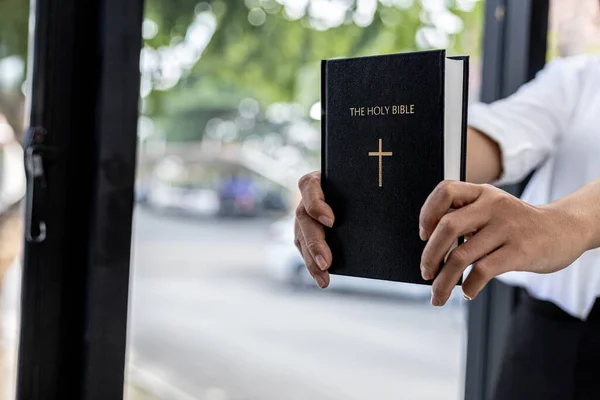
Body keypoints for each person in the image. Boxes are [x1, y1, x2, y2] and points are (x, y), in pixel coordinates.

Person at [294, 52, 600, 398]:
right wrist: (354, 180)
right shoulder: (582, 77)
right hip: (548, 340)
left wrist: (569, 224)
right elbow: (498, 135)